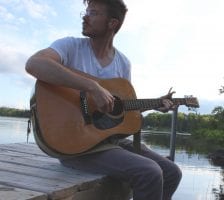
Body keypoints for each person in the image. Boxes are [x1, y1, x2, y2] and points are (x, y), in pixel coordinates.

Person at [25, 0, 182, 199]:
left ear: (112, 23)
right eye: (87, 11)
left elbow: (120, 110)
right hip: (75, 143)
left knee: (172, 172)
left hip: (107, 140)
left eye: (93, 12)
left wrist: (155, 105)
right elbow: (34, 64)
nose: (85, 16)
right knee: (149, 172)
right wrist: (92, 86)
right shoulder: (70, 46)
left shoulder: (123, 63)